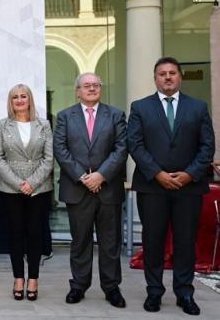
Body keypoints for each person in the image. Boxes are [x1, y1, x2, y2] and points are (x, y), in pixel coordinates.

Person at [127, 57, 214, 315]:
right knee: (153, 241)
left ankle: (184, 293)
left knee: (186, 242)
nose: (167, 77)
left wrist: (189, 174)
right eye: (162, 74)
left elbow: (207, 146)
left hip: (189, 187)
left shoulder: (198, 107)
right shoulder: (140, 107)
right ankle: (154, 292)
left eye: (172, 73)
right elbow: (136, 144)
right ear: (155, 78)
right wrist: (157, 173)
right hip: (152, 187)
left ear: (180, 77)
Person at [53, 73, 127, 308]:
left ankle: (111, 287)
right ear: (78, 91)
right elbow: (60, 148)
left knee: (110, 242)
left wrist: (101, 175)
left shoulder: (115, 115)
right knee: (80, 241)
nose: (92, 88)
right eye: (87, 86)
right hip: (78, 188)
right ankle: (78, 285)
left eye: (96, 85)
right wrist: (83, 177)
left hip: (108, 189)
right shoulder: (65, 116)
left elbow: (121, 148)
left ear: (101, 89)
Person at [0, 84, 53, 301]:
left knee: (35, 234)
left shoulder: (43, 125)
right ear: (10, 101)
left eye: (23, 96)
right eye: (15, 97)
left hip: (39, 189)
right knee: (15, 234)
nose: (19, 100)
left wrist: (32, 183)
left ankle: (33, 279)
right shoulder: (1, 125)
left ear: (30, 100)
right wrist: (19, 183)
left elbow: (49, 159)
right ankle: (18, 278)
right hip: (10, 189)